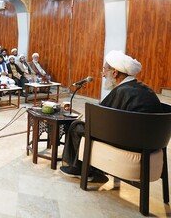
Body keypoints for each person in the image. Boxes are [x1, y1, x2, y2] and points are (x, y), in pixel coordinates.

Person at [60, 50, 164, 180]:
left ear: (114, 72)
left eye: (104, 70)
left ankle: (82, 169)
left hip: (132, 144)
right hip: (152, 143)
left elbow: (99, 117)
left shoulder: (122, 91)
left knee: (77, 126)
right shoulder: (143, 88)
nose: (103, 75)